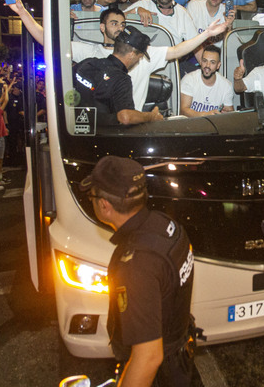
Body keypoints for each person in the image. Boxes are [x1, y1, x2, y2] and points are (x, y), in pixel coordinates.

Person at [80, 156, 194, 387]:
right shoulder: (165, 226)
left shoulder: (135, 265)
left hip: (162, 377)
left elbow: (149, 358)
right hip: (181, 359)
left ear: (105, 205)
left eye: (92, 195)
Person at [9, 0, 230, 112]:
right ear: (102, 27)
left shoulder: (141, 54)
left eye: (123, 24)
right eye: (114, 23)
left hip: (133, 125)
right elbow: (46, 40)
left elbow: (177, 50)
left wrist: (207, 34)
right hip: (104, 127)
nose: (119, 28)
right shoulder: (90, 53)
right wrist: (22, 12)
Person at [74, 26, 165, 126]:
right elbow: (125, 117)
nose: (138, 61)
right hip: (101, 136)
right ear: (132, 54)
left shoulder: (87, 63)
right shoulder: (121, 79)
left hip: (73, 133)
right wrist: (151, 116)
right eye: (140, 57)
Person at [126, 0, 198, 44]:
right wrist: (136, 10)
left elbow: (195, 43)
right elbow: (116, 20)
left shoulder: (182, 13)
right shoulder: (143, 5)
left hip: (173, 54)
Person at [179, 46, 235, 117]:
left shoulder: (226, 86)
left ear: (218, 65)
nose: (207, 66)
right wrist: (205, 115)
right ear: (201, 62)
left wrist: (226, 114)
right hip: (191, 125)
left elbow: (230, 114)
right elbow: (183, 111)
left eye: (212, 62)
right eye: (205, 61)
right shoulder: (189, 79)